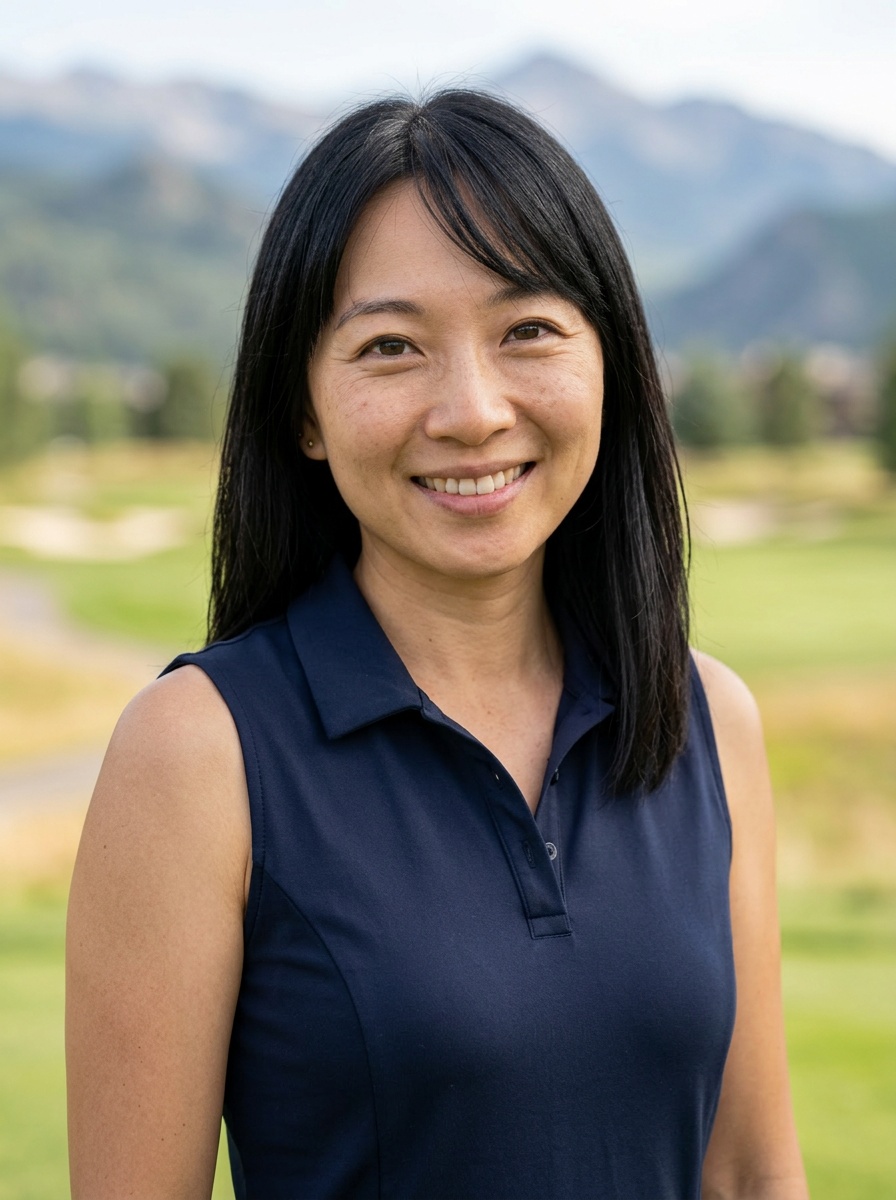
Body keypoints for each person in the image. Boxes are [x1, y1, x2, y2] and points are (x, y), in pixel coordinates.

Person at [66, 90, 809, 1199]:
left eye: (527, 331)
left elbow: (749, 1173)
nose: (469, 411)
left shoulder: (705, 718)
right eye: (390, 346)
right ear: (304, 412)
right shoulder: (196, 753)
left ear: (610, 364)